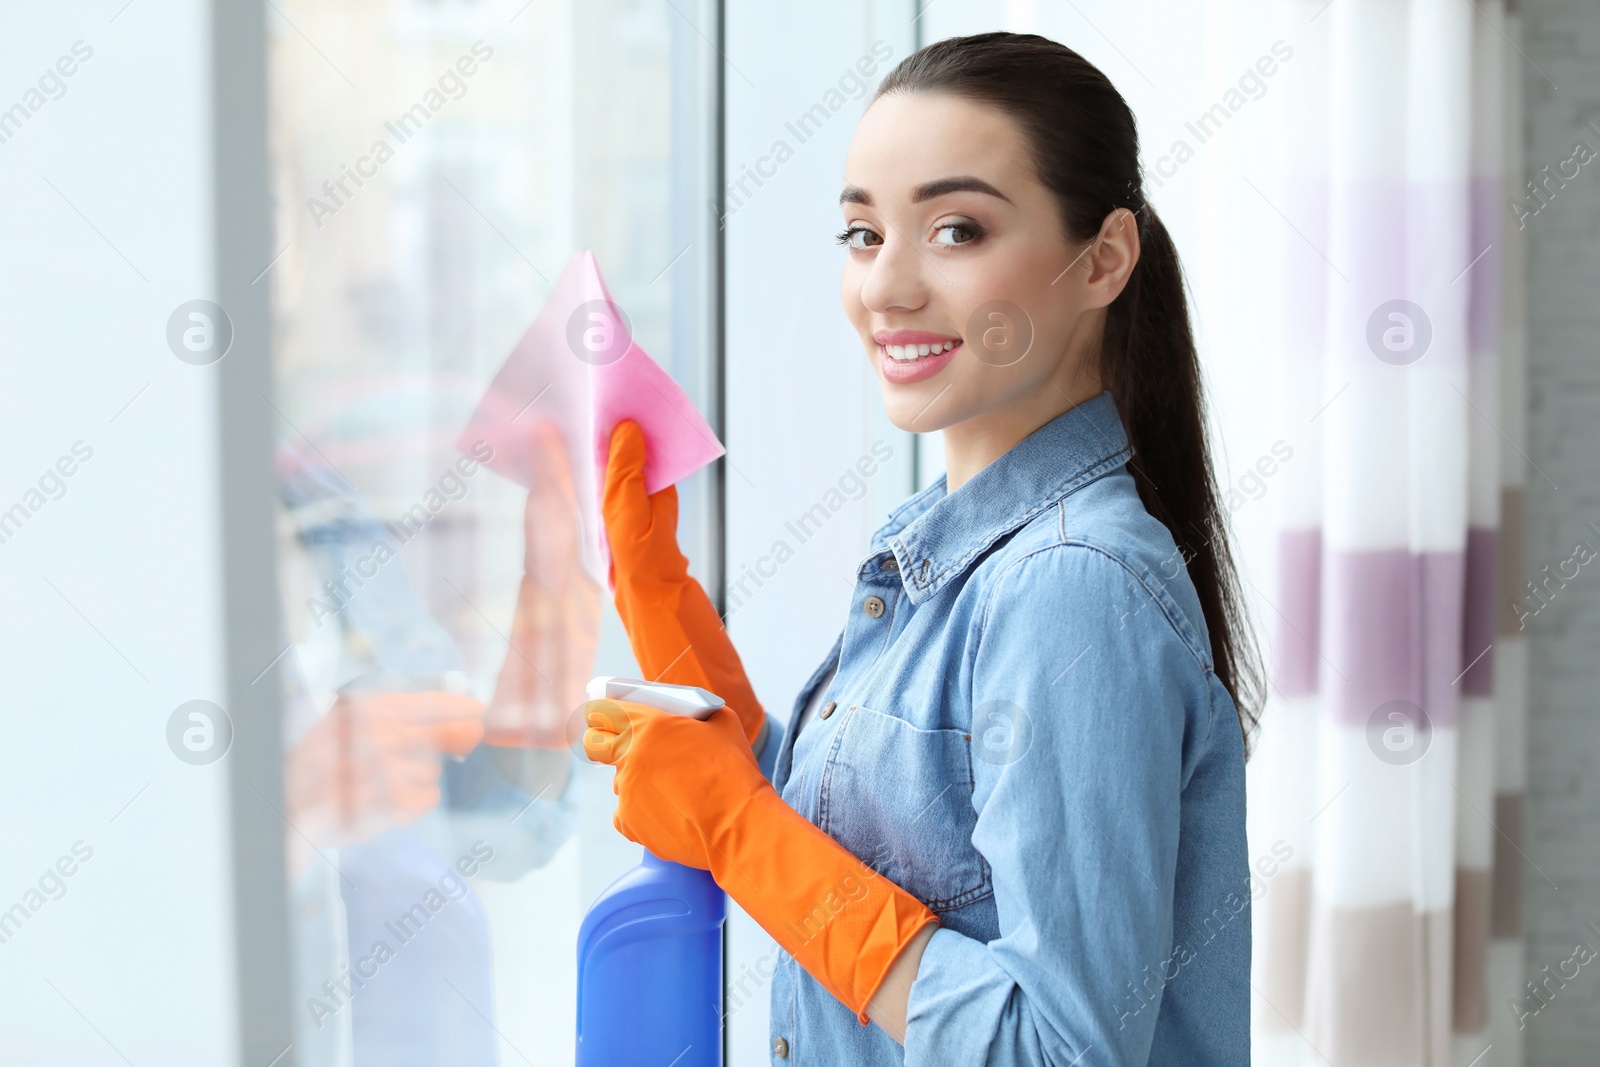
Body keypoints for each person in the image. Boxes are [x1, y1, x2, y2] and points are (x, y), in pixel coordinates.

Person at [582, 30, 1264, 1066]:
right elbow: (873, 850)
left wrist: (738, 831)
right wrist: (664, 608)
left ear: (1105, 259)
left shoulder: (1070, 586)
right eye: (862, 234)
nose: (886, 289)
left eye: (955, 229)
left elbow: (1057, 1050)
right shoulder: (948, 552)